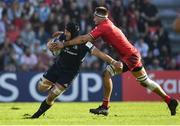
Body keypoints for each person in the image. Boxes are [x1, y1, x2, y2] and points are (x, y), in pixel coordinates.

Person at [48, 7, 178, 116]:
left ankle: (105, 107)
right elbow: (84, 39)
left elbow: (84, 39)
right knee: (145, 82)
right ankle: (169, 100)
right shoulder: (106, 24)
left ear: (100, 17)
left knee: (106, 74)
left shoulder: (103, 26)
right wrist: (64, 34)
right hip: (132, 54)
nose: (93, 19)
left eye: (95, 17)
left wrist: (64, 44)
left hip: (129, 57)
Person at [30, 22, 121, 118]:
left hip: (69, 74)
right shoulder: (63, 37)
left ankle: (36, 116)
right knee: (40, 88)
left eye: (67, 32)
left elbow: (99, 54)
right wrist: (51, 45)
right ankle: (53, 84)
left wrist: (114, 62)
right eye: (65, 31)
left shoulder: (85, 44)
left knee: (52, 95)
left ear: (73, 33)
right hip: (57, 67)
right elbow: (51, 45)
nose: (65, 33)